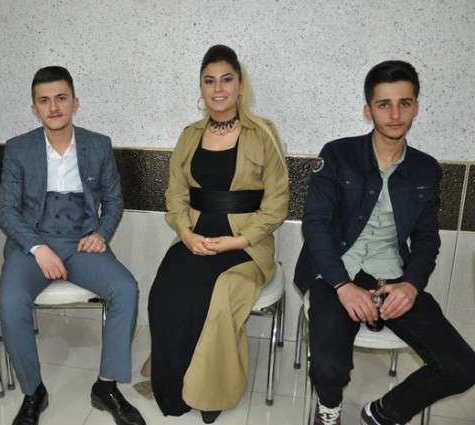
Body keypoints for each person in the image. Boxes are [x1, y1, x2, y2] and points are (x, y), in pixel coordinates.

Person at [294, 60, 475, 425]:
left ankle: (383, 412)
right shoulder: (338, 155)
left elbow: (426, 238)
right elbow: (315, 225)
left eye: (404, 103)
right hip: (335, 274)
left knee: (462, 366)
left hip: (393, 277)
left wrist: (411, 285)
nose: (395, 114)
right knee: (329, 368)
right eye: (384, 104)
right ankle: (329, 408)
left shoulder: (426, 169)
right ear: (368, 110)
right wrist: (343, 286)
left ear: (416, 107)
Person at [0, 66, 145, 425]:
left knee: (125, 289)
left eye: (61, 98)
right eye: (44, 100)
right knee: (10, 300)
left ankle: (105, 387)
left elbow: (114, 200)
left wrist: (101, 234)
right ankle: (34, 392)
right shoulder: (18, 148)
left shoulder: (98, 144)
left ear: (75, 102)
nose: (54, 107)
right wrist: (37, 248)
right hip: (34, 243)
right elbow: (7, 211)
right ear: (34, 108)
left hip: (81, 241)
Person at [147, 45, 288, 424]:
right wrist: (185, 233)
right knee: (164, 293)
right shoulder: (189, 136)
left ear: (240, 85)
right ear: (201, 88)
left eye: (226, 79)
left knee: (218, 296)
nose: (218, 88)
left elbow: (276, 206)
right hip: (196, 237)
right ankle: (173, 388)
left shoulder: (264, 134)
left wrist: (237, 241)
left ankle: (211, 392)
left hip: (246, 246)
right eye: (209, 81)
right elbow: (175, 193)